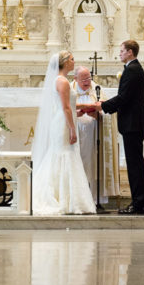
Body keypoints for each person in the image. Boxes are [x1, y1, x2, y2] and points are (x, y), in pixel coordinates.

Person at [32, 51, 96, 215]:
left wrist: (78, 112)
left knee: (63, 155)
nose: (74, 62)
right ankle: (64, 199)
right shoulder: (63, 82)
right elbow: (66, 107)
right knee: (64, 155)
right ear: (65, 62)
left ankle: (65, 197)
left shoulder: (60, 80)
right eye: (72, 59)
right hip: (63, 124)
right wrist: (72, 128)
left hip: (63, 120)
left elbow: (68, 107)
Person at [96, 40, 144, 214]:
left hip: (133, 124)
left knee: (135, 165)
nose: (119, 54)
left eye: (122, 51)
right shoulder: (134, 69)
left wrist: (102, 106)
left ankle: (138, 203)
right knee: (136, 163)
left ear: (130, 52)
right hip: (134, 123)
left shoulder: (132, 70)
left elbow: (123, 97)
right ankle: (139, 201)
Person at [71, 66, 120, 203]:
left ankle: (94, 200)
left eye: (89, 78)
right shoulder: (70, 89)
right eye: (84, 79)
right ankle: (76, 199)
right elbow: (62, 111)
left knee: (93, 166)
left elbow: (109, 111)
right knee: (76, 165)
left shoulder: (97, 90)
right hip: (75, 133)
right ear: (75, 79)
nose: (87, 81)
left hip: (94, 136)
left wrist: (98, 114)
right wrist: (77, 114)